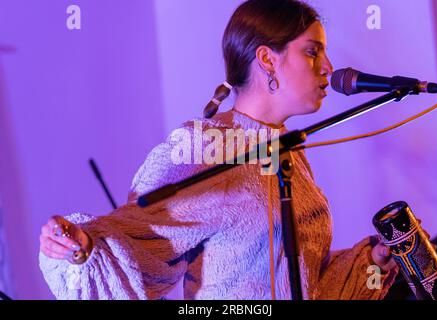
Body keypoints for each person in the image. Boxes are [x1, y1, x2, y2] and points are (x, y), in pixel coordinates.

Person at [39, 0, 398, 300]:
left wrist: (369, 267)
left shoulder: (287, 151)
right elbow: (142, 239)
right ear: (268, 59)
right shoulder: (205, 146)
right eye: (312, 51)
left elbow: (300, 285)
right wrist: (82, 249)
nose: (329, 69)